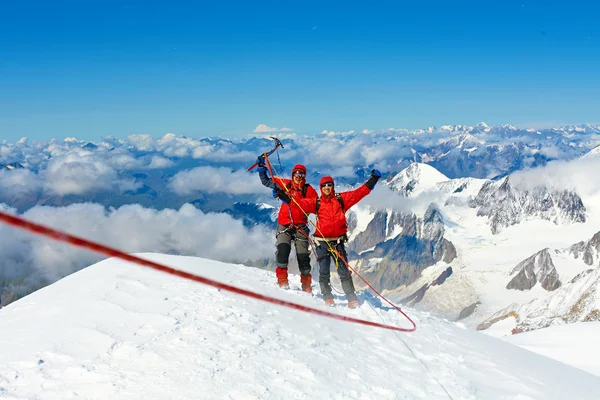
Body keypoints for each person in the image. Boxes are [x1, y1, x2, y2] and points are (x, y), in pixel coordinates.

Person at [275, 169, 382, 308]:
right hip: (322, 243)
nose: (327, 188)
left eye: (329, 185)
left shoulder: (341, 199)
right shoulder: (317, 202)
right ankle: (328, 297)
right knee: (324, 272)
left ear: (333, 186)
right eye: (324, 185)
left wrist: (373, 179)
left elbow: (360, 193)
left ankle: (351, 298)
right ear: (321, 187)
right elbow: (299, 203)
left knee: (344, 271)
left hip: (337, 242)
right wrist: (286, 198)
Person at [256, 155, 318, 291]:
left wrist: (290, 200)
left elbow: (314, 205)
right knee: (282, 252)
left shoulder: (309, 191)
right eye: (296, 173)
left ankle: (306, 286)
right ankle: (282, 281)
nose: (298, 176)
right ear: (293, 174)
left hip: (300, 226)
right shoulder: (286, 184)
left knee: (304, 258)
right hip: (284, 224)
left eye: (301, 174)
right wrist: (261, 169)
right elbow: (266, 181)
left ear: (304, 176)